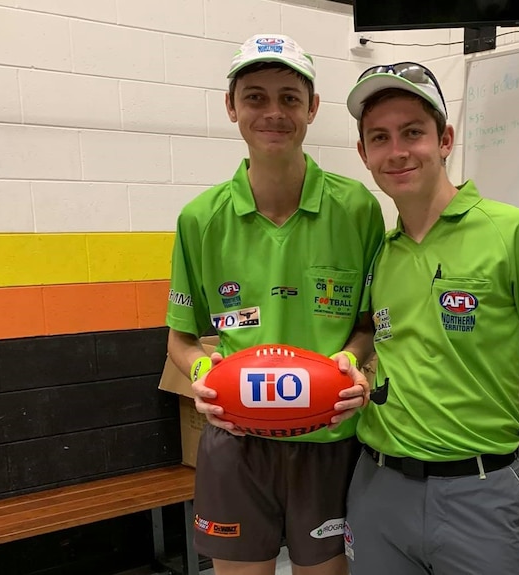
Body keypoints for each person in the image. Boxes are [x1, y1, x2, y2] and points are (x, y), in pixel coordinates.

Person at [343, 62, 519, 575]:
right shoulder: (381, 253)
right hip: (376, 491)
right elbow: (378, 341)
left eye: (412, 132)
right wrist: (352, 365)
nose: (397, 151)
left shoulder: (512, 232)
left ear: (444, 139)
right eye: (380, 137)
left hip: (479, 495)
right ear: (364, 154)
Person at [165, 34, 384, 575]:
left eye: (289, 97)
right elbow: (180, 338)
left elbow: (368, 326)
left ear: (311, 108)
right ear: (232, 107)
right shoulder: (201, 219)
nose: (273, 112)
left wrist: (351, 363)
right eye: (256, 96)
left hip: (328, 439)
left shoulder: (357, 208)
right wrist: (202, 377)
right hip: (236, 441)